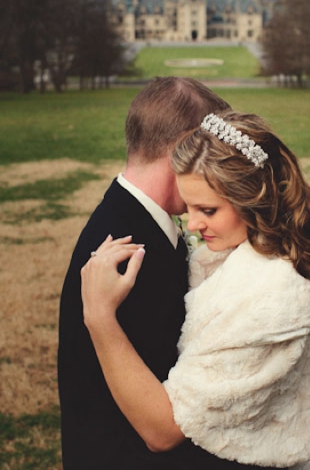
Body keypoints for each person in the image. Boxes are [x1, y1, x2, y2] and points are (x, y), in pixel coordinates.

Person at [81, 109, 310, 470]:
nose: (192, 224)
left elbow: (163, 430)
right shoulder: (248, 253)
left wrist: (99, 317)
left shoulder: (270, 296)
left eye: (207, 209)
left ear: (253, 198)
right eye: (188, 207)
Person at [58, 77, 260, 469]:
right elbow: (158, 420)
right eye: (211, 153)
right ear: (185, 149)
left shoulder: (139, 218)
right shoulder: (124, 249)